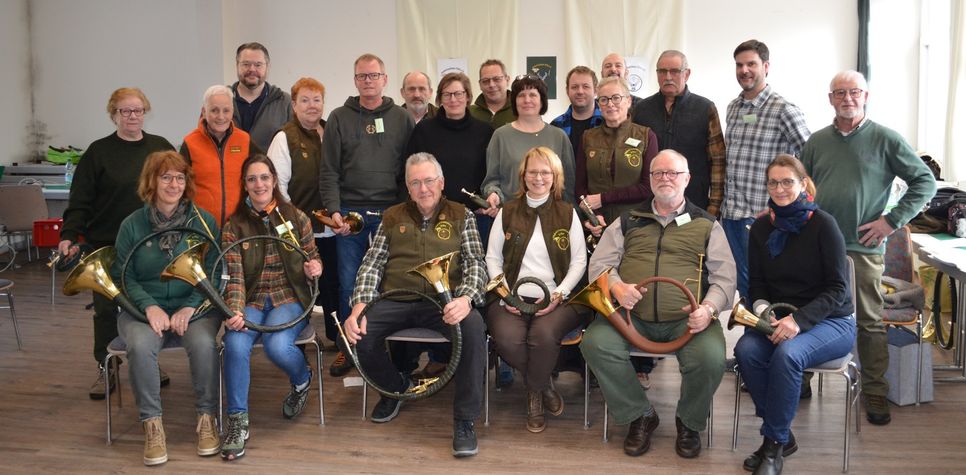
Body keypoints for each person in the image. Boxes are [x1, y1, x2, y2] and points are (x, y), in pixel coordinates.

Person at [580, 149, 736, 459]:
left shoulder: (707, 224)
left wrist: (707, 310)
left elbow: (725, 279)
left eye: (673, 173)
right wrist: (617, 286)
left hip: (687, 320)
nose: (665, 178)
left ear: (687, 179)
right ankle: (640, 415)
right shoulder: (628, 220)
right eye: (658, 173)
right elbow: (599, 266)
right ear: (649, 179)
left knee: (711, 357)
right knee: (595, 343)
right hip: (630, 316)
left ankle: (689, 422)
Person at [802, 70, 936, 426]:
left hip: (863, 249)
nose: (848, 98)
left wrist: (891, 222)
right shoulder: (816, 142)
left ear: (866, 96)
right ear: (830, 98)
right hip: (819, 249)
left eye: (854, 92)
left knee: (870, 322)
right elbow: (804, 189)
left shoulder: (885, 139)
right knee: (810, 311)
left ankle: (874, 388)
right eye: (840, 93)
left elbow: (925, 182)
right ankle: (802, 375)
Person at [342, 153, 487, 457]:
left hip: (442, 302)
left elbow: (475, 262)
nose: (424, 189)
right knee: (358, 336)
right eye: (416, 183)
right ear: (408, 188)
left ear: (442, 182)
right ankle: (396, 388)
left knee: (474, 330)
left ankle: (464, 420)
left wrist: (466, 298)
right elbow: (372, 265)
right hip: (396, 299)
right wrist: (359, 307)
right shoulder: (392, 217)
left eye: (429, 181)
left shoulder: (463, 215)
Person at [734, 154, 856, 474]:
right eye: (773, 182)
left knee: (788, 355)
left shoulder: (823, 225)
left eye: (787, 181)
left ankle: (773, 445)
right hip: (780, 317)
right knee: (745, 350)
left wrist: (798, 321)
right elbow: (757, 283)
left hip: (832, 321)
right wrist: (762, 312)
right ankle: (783, 436)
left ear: (803, 184)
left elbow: (837, 289)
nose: (780, 188)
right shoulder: (761, 227)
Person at [58, 87, 175, 400]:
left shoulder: (160, 147)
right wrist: (69, 234)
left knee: (148, 307)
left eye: (137, 110)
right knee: (107, 311)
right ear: (114, 114)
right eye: (125, 111)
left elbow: (176, 189)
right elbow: (80, 200)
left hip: (152, 247)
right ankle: (106, 367)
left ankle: (147, 362)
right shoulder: (98, 152)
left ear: (145, 112)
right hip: (107, 247)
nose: (132, 116)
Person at [111, 151, 221, 466]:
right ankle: (152, 425)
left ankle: (206, 418)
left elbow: (213, 272)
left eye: (179, 177)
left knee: (203, 343)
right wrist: (149, 307)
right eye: (165, 177)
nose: (174, 184)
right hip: (142, 309)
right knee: (141, 345)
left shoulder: (204, 221)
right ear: (152, 181)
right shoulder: (132, 225)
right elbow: (124, 276)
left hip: (194, 307)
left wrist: (189, 308)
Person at [219, 155, 323, 461]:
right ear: (245, 185)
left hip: (288, 295)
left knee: (278, 346)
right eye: (252, 179)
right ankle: (238, 421)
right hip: (250, 299)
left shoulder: (296, 216)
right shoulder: (234, 226)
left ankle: (302, 378)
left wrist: (314, 266)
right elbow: (234, 276)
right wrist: (234, 311)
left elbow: (311, 255)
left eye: (264, 177)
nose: (259, 184)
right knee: (235, 343)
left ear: (274, 180)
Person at [319, 53, 415, 377]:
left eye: (374, 75)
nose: (368, 81)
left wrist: (405, 210)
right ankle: (351, 347)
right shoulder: (338, 118)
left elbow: (408, 170)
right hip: (349, 216)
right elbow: (328, 170)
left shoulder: (402, 118)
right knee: (349, 284)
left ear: (385, 79)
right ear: (355, 80)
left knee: (392, 282)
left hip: (391, 212)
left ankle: (387, 349)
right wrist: (334, 211)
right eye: (362, 76)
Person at [485, 146, 588, 433]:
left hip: (559, 296)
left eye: (545, 172)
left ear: (555, 177)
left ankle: (534, 395)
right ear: (523, 175)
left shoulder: (568, 213)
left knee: (542, 336)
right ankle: (543, 386)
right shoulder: (507, 211)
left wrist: (559, 295)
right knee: (506, 338)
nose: (539, 177)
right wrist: (506, 295)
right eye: (533, 171)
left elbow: (580, 260)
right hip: (510, 295)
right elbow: (492, 258)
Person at [405, 72, 494, 379]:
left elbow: (490, 174)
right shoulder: (425, 130)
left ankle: (476, 352)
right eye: (447, 95)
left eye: (458, 94)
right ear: (439, 99)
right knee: (437, 286)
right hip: (431, 217)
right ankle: (441, 355)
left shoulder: (485, 131)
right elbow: (410, 171)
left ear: (468, 97)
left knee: (471, 281)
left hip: (471, 220)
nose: (453, 100)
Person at [577, 76, 660, 388]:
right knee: (601, 290)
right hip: (596, 226)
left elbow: (647, 185)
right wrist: (590, 214)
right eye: (604, 100)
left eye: (616, 99)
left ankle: (640, 361)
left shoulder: (645, 135)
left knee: (631, 288)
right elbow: (581, 187)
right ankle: (601, 362)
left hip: (635, 224)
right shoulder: (588, 138)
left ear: (629, 102)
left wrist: (606, 199)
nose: (610, 105)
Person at [721, 39, 810, 302]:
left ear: (766, 66)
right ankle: (754, 334)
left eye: (751, 64)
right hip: (732, 214)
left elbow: (809, 160)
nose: (744, 70)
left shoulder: (784, 109)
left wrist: (786, 206)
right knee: (742, 281)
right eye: (739, 65)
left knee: (767, 281)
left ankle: (773, 334)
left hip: (765, 215)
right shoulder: (733, 108)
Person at [266, 77, 340, 344]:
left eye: (317, 99)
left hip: (331, 229)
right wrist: (295, 222)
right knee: (301, 287)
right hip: (298, 231)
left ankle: (338, 339)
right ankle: (299, 337)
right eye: (305, 100)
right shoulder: (284, 137)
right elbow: (278, 187)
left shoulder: (332, 131)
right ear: (294, 105)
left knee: (333, 285)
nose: (312, 106)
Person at [632, 50, 726, 216]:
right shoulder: (641, 110)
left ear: (687, 74)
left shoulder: (705, 109)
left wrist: (714, 209)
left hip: (695, 205)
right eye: (662, 71)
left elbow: (718, 162)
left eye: (674, 71)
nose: (668, 77)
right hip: (650, 207)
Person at [481, 74, 576, 214]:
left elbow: (569, 185)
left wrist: (569, 215)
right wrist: (493, 195)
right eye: (521, 95)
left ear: (542, 100)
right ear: (514, 101)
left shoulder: (559, 136)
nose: (527, 100)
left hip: (552, 218)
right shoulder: (500, 136)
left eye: (533, 95)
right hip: (512, 217)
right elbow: (491, 181)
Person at [180, 85, 261, 227]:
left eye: (226, 110)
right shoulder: (190, 142)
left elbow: (263, 175)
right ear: (204, 112)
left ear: (232, 112)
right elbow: (181, 187)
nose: (221, 117)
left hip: (239, 227)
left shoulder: (245, 140)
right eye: (214, 110)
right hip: (201, 227)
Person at [231, 42, 293, 150]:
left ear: (267, 67)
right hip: (229, 167)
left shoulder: (284, 102)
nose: (252, 69)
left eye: (258, 65)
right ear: (237, 66)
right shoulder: (221, 100)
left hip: (270, 167)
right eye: (246, 64)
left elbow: (294, 144)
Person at [551, 66, 603, 156]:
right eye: (574, 87)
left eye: (586, 86)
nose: (580, 91)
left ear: (596, 91)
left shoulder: (607, 123)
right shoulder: (555, 126)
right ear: (567, 91)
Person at [469, 59, 516, 128]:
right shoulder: (469, 113)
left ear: (507, 80)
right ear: (480, 85)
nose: (491, 85)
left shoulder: (520, 110)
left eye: (497, 79)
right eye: (485, 81)